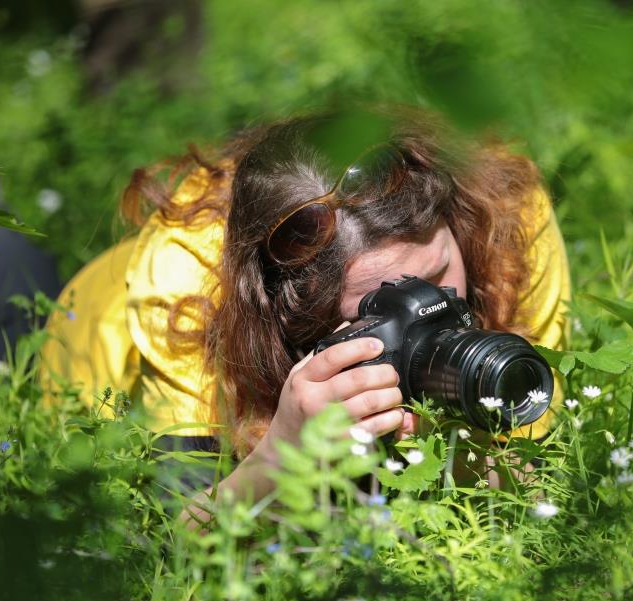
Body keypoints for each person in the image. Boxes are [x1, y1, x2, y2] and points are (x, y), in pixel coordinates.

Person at [39, 106, 571, 524]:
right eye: (378, 308)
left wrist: (465, 443)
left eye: (435, 279)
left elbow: (542, 481)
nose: (425, 312)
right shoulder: (185, 294)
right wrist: (280, 456)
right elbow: (176, 538)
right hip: (87, 329)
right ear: (298, 319)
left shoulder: (509, 218)